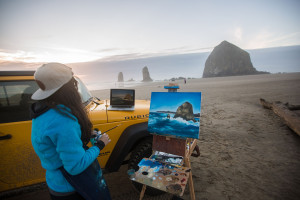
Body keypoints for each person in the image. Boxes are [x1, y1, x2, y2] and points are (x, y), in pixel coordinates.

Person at [30, 63, 111, 200]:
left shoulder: (42, 110)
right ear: (67, 89)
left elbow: (56, 140)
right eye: (74, 83)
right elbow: (75, 166)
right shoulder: (63, 120)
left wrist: (80, 134)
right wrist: (100, 145)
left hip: (56, 183)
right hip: (73, 189)